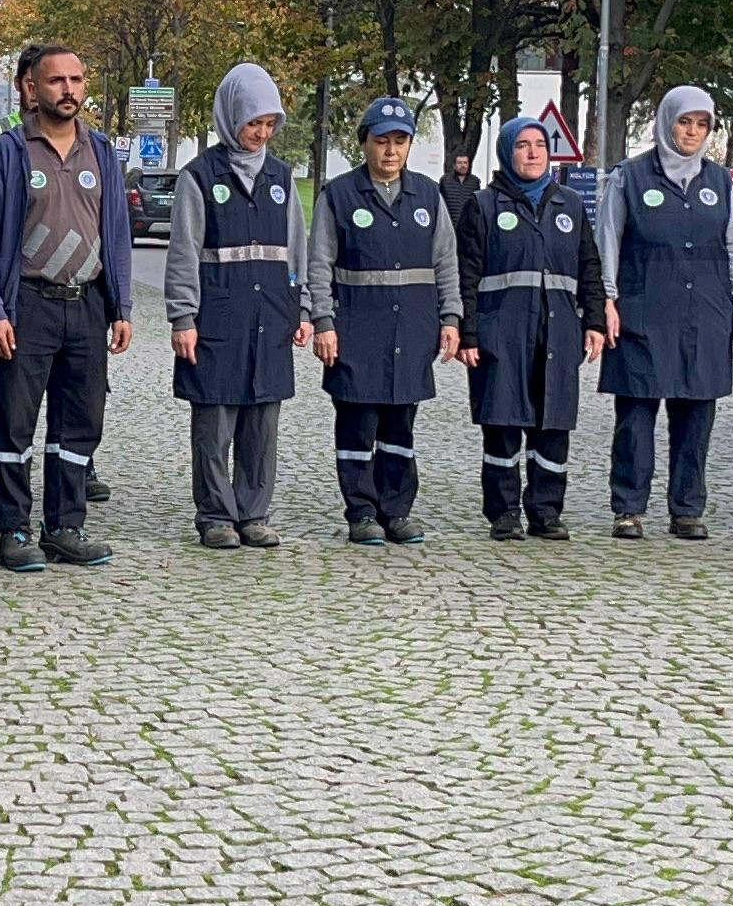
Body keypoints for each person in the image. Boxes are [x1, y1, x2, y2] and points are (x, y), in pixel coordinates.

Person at [0, 42, 134, 571]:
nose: (69, 90)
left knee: (80, 424)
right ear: (32, 88)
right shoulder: (10, 153)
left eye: (77, 80)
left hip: (85, 306)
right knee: (15, 426)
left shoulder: (101, 152)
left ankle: (66, 526)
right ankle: (14, 530)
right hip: (28, 307)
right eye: (57, 80)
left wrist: (121, 306)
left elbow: (118, 235)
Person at [300, 97, 460, 544]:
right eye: (381, 141)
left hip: (411, 332)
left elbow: (446, 262)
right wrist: (324, 321)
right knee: (357, 425)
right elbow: (320, 263)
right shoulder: (340, 194)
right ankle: (362, 512)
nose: (391, 151)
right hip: (357, 332)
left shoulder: (428, 195)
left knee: (399, 428)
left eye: (400, 141)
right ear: (364, 144)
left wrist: (450, 317)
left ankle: (398, 510)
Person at [597, 85, 733, 540]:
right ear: (667, 122)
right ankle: (629, 507)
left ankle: (687, 508)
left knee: (696, 415)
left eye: (702, 124)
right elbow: (608, 239)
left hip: (704, 312)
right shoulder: (630, 176)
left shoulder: (719, 181)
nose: (692, 132)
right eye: (685, 122)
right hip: (643, 310)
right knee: (636, 415)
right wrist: (607, 297)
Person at [167, 62, 307, 548]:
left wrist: (302, 306)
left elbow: (296, 247)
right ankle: (215, 515)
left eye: (269, 125)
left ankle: (254, 513)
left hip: (272, 315)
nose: (261, 134)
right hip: (217, 318)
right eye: (253, 123)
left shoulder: (281, 177)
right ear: (231, 118)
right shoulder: (199, 177)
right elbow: (184, 251)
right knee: (215, 421)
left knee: (262, 423)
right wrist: (182, 316)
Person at [456, 115, 604, 540]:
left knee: (552, 425)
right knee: (502, 425)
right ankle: (503, 513)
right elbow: (467, 274)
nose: (534, 152)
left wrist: (593, 320)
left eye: (540, 144)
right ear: (507, 153)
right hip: (501, 333)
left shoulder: (570, 205)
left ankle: (546, 511)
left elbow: (589, 267)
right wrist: (468, 333)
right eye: (523, 145)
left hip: (558, 333)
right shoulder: (483, 206)